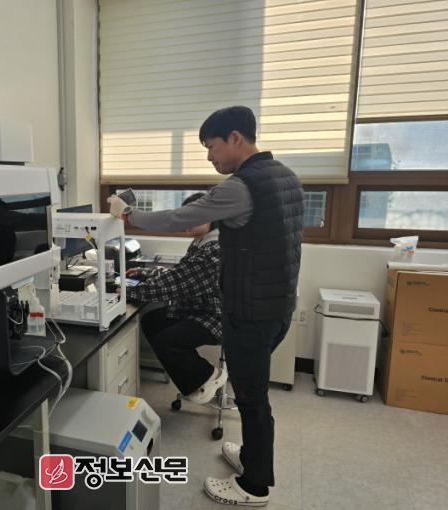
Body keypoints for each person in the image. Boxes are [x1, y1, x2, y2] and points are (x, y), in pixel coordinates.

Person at [108, 106, 303, 507]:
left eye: (211, 147)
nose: (210, 157)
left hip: (250, 311)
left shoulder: (241, 187)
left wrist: (127, 214)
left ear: (235, 138)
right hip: (277, 304)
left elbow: (179, 217)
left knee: (251, 398)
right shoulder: (285, 177)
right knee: (252, 393)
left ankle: (254, 487)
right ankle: (251, 458)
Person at [126, 193, 226, 405]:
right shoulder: (201, 241)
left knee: (166, 341)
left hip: (215, 316)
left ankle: (209, 374)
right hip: (197, 307)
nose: (186, 223)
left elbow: (178, 284)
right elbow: (182, 273)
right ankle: (192, 382)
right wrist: (147, 273)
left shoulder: (214, 248)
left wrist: (129, 292)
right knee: (151, 321)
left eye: (192, 218)